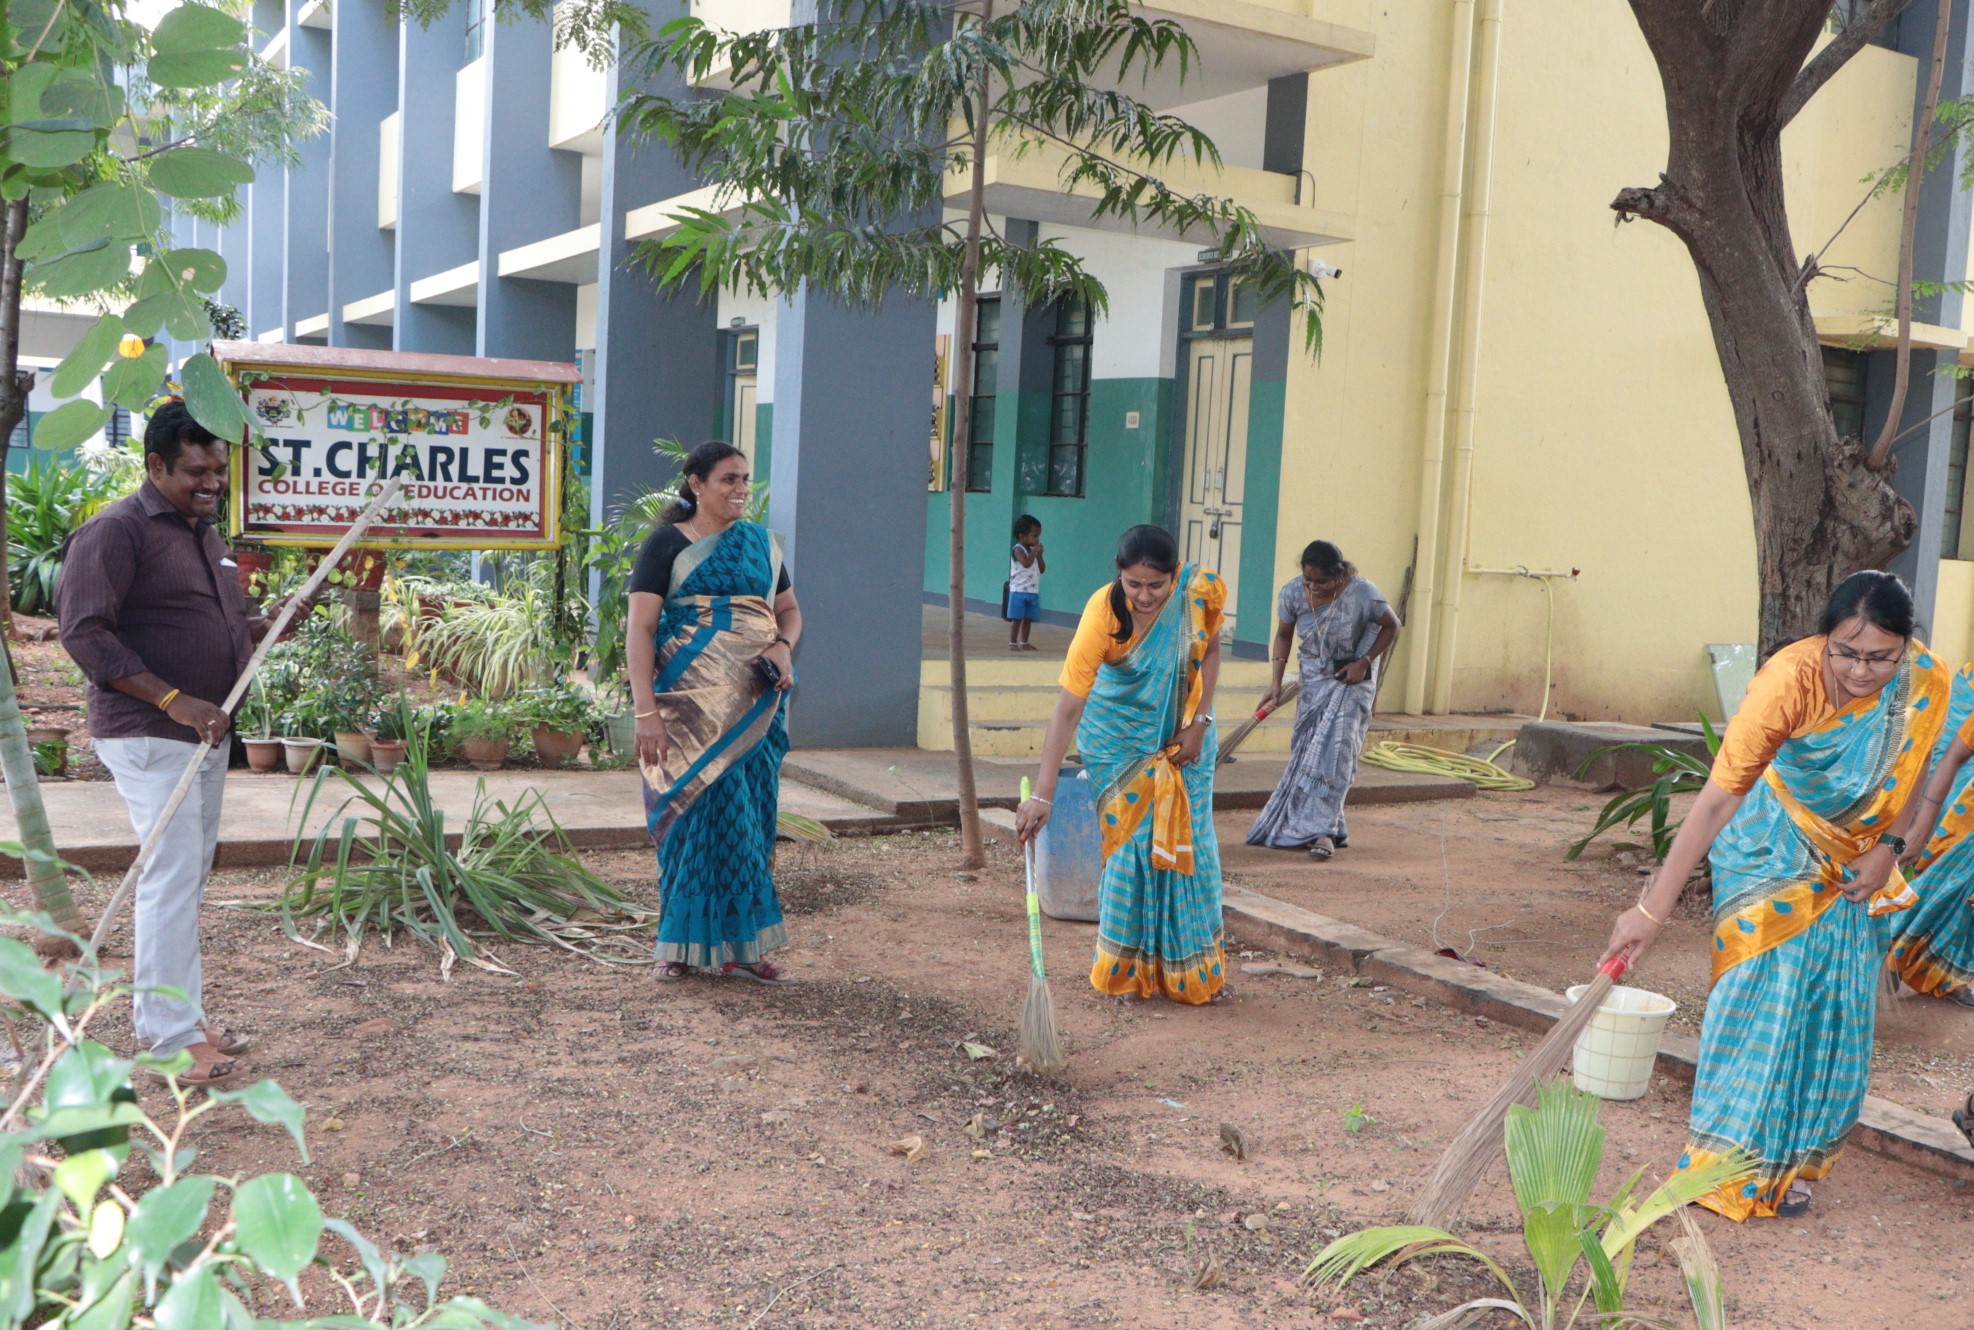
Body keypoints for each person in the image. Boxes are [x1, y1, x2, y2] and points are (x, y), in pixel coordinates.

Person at [1599, 571, 1949, 1221]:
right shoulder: (1785, 682)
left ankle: (1792, 1164)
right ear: (1825, 637)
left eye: (1880, 656)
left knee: (1830, 1007)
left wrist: (1889, 849)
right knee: (1762, 993)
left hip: (1857, 862)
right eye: (1846, 651)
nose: (1862, 670)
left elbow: (1920, 767)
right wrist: (1651, 909)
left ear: (1906, 647)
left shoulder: (1925, 682)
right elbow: (1715, 802)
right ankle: (1725, 1166)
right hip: (1772, 844)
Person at [57, 401, 315, 1084]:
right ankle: (167, 1038)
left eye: (218, 471)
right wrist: (173, 698)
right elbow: (84, 633)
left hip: (201, 734)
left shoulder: (204, 534)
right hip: (150, 733)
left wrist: (270, 625)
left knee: (187, 876)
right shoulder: (115, 531)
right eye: (196, 471)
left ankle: (180, 1018)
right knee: (172, 877)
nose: (210, 483)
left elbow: (221, 628)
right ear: (155, 466)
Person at [1015, 525, 1227, 1004]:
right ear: (1119, 575)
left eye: (1157, 585)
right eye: (1134, 585)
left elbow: (1210, 649)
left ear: (1176, 576)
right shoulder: (1102, 617)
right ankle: (1129, 977)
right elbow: (1068, 707)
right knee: (1132, 849)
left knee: (1191, 847)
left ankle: (1192, 975)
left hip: (1187, 740)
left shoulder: (1197, 595)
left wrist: (1200, 721)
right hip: (1118, 741)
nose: (1145, 596)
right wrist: (1042, 796)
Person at [628, 441, 802, 984]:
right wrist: (644, 712)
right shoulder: (666, 546)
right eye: (728, 479)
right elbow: (640, 629)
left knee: (749, 825)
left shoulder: (760, 545)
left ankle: (745, 949)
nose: (740, 490)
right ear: (696, 483)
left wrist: (782, 646)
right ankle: (676, 948)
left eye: (745, 479)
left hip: (754, 714)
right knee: (691, 824)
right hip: (683, 714)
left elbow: (789, 612)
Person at [1247, 541, 1401, 860]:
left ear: (1339, 575)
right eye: (1309, 581)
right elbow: (1284, 635)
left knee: (1337, 754)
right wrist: (1275, 682)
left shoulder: (1362, 592)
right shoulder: (1292, 595)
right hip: (1314, 679)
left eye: (1322, 582)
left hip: (1351, 680)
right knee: (1309, 754)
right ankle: (1324, 823)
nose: (1314, 588)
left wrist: (1364, 661)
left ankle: (1324, 832)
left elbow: (1392, 626)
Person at [1881, 660, 1974, 1009]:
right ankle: (1889, 951)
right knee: (1945, 886)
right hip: (1964, 817)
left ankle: (1945, 971)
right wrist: (1921, 825)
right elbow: (1953, 757)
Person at [1008, 515, 1045, 652]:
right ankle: (1012, 642)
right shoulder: (1018, 549)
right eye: (1034, 536)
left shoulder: (1032, 551)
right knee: (1017, 618)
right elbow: (1026, 563)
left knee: (1028, 618)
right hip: (1018, 590)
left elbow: (1042, 569)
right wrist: (1035, 552)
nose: (1037, 539)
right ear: (1022, 536)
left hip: (1032, 590)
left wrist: (1039, 555)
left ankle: (1024, 642)